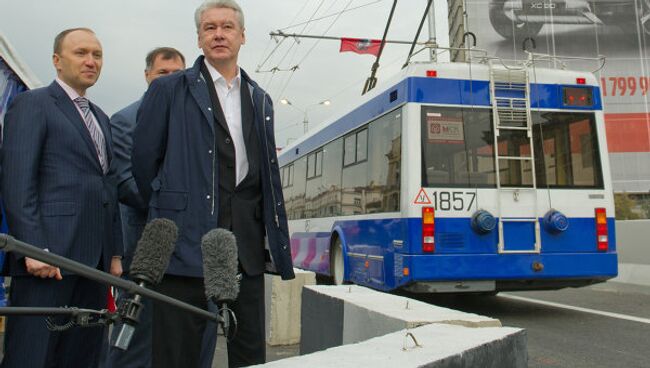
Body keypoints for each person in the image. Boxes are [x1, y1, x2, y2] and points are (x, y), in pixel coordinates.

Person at [132, 1, 295, 367]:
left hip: (246, 248)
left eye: (226, 27)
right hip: (184, 244)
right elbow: (143, 164)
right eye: (209, 28)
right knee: (178, 353)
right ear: (199, 37)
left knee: (249, 351)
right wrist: (173, 208)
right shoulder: (169, 90)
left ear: (242, 35)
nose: (218, 34)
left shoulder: (259, 98)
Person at [0, 28, 122, 368]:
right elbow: (16, 182)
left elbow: (107, 187)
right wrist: (33, 248)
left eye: (97, 55)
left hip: (94, 265)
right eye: (81, 52)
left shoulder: (101, 118)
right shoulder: (32, 104)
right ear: (57, 60)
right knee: (32, 355)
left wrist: (113, 252)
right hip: (47, 260)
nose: (91, 61)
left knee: (83, 355)